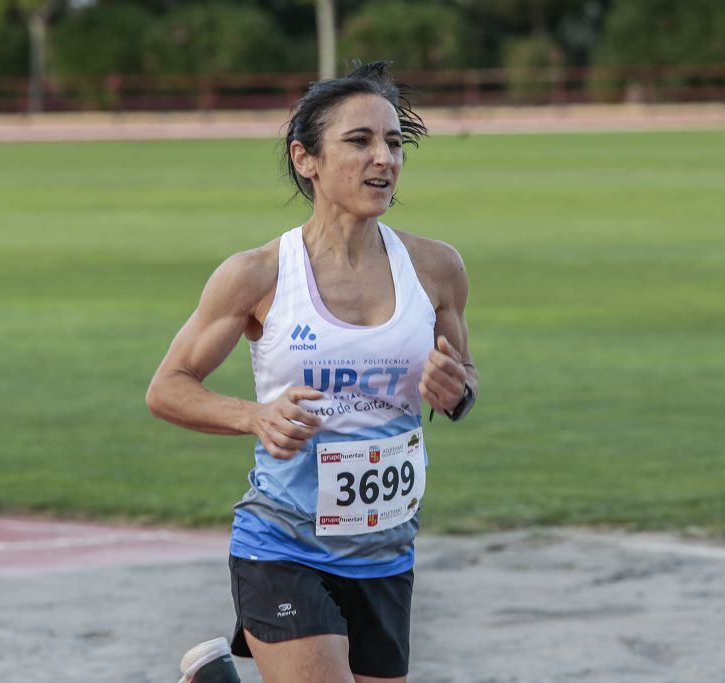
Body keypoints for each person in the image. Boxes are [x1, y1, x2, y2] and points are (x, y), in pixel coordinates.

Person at [147, 61, 478, 683]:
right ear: (307, 159)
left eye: (394, 143)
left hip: (385, 551)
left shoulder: (437, 269)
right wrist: (253, 415)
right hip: (282, 542)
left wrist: (456, 390)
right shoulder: (258, 275)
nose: (384, 159)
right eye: (359, 141)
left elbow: (465, 379)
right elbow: (167, 388)